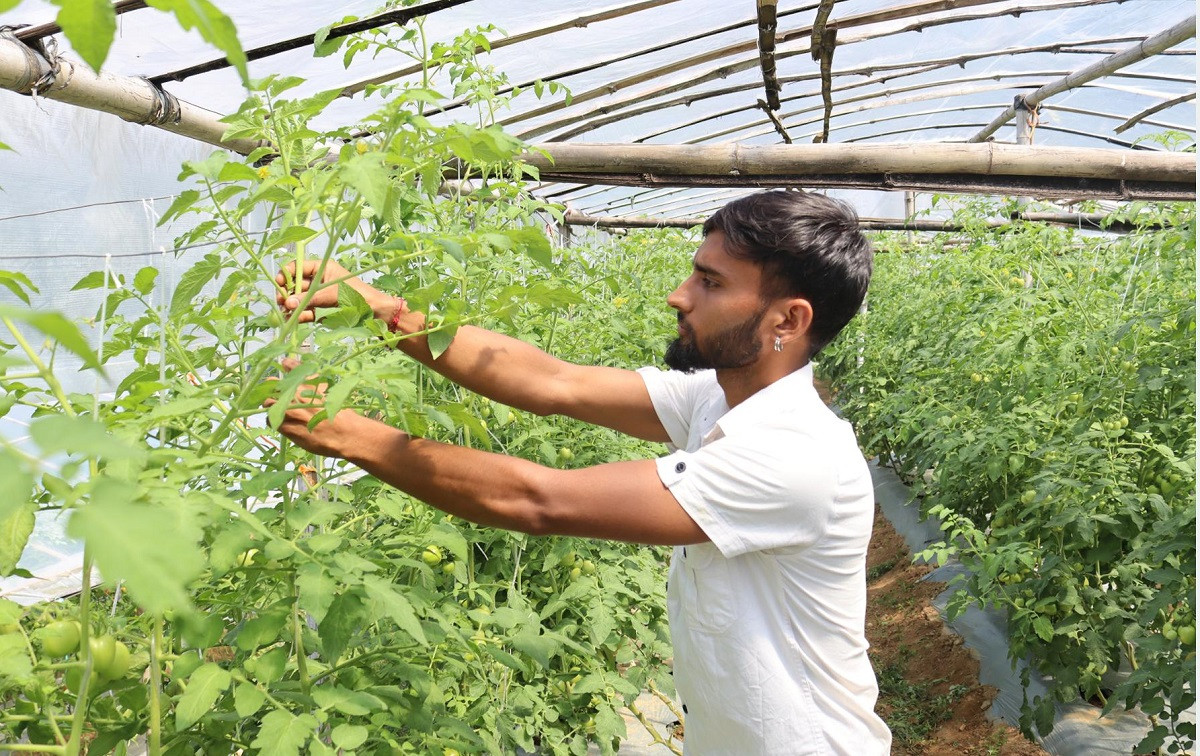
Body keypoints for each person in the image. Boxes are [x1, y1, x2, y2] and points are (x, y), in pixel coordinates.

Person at [271, 190, 892, 755]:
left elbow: (540, 500)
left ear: (788, 320)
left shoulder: (793, 455)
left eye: (709, 282)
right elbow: (552, 381)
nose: (680, 295)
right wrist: (376, 308)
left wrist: (352, 435)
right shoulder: (719, 397)